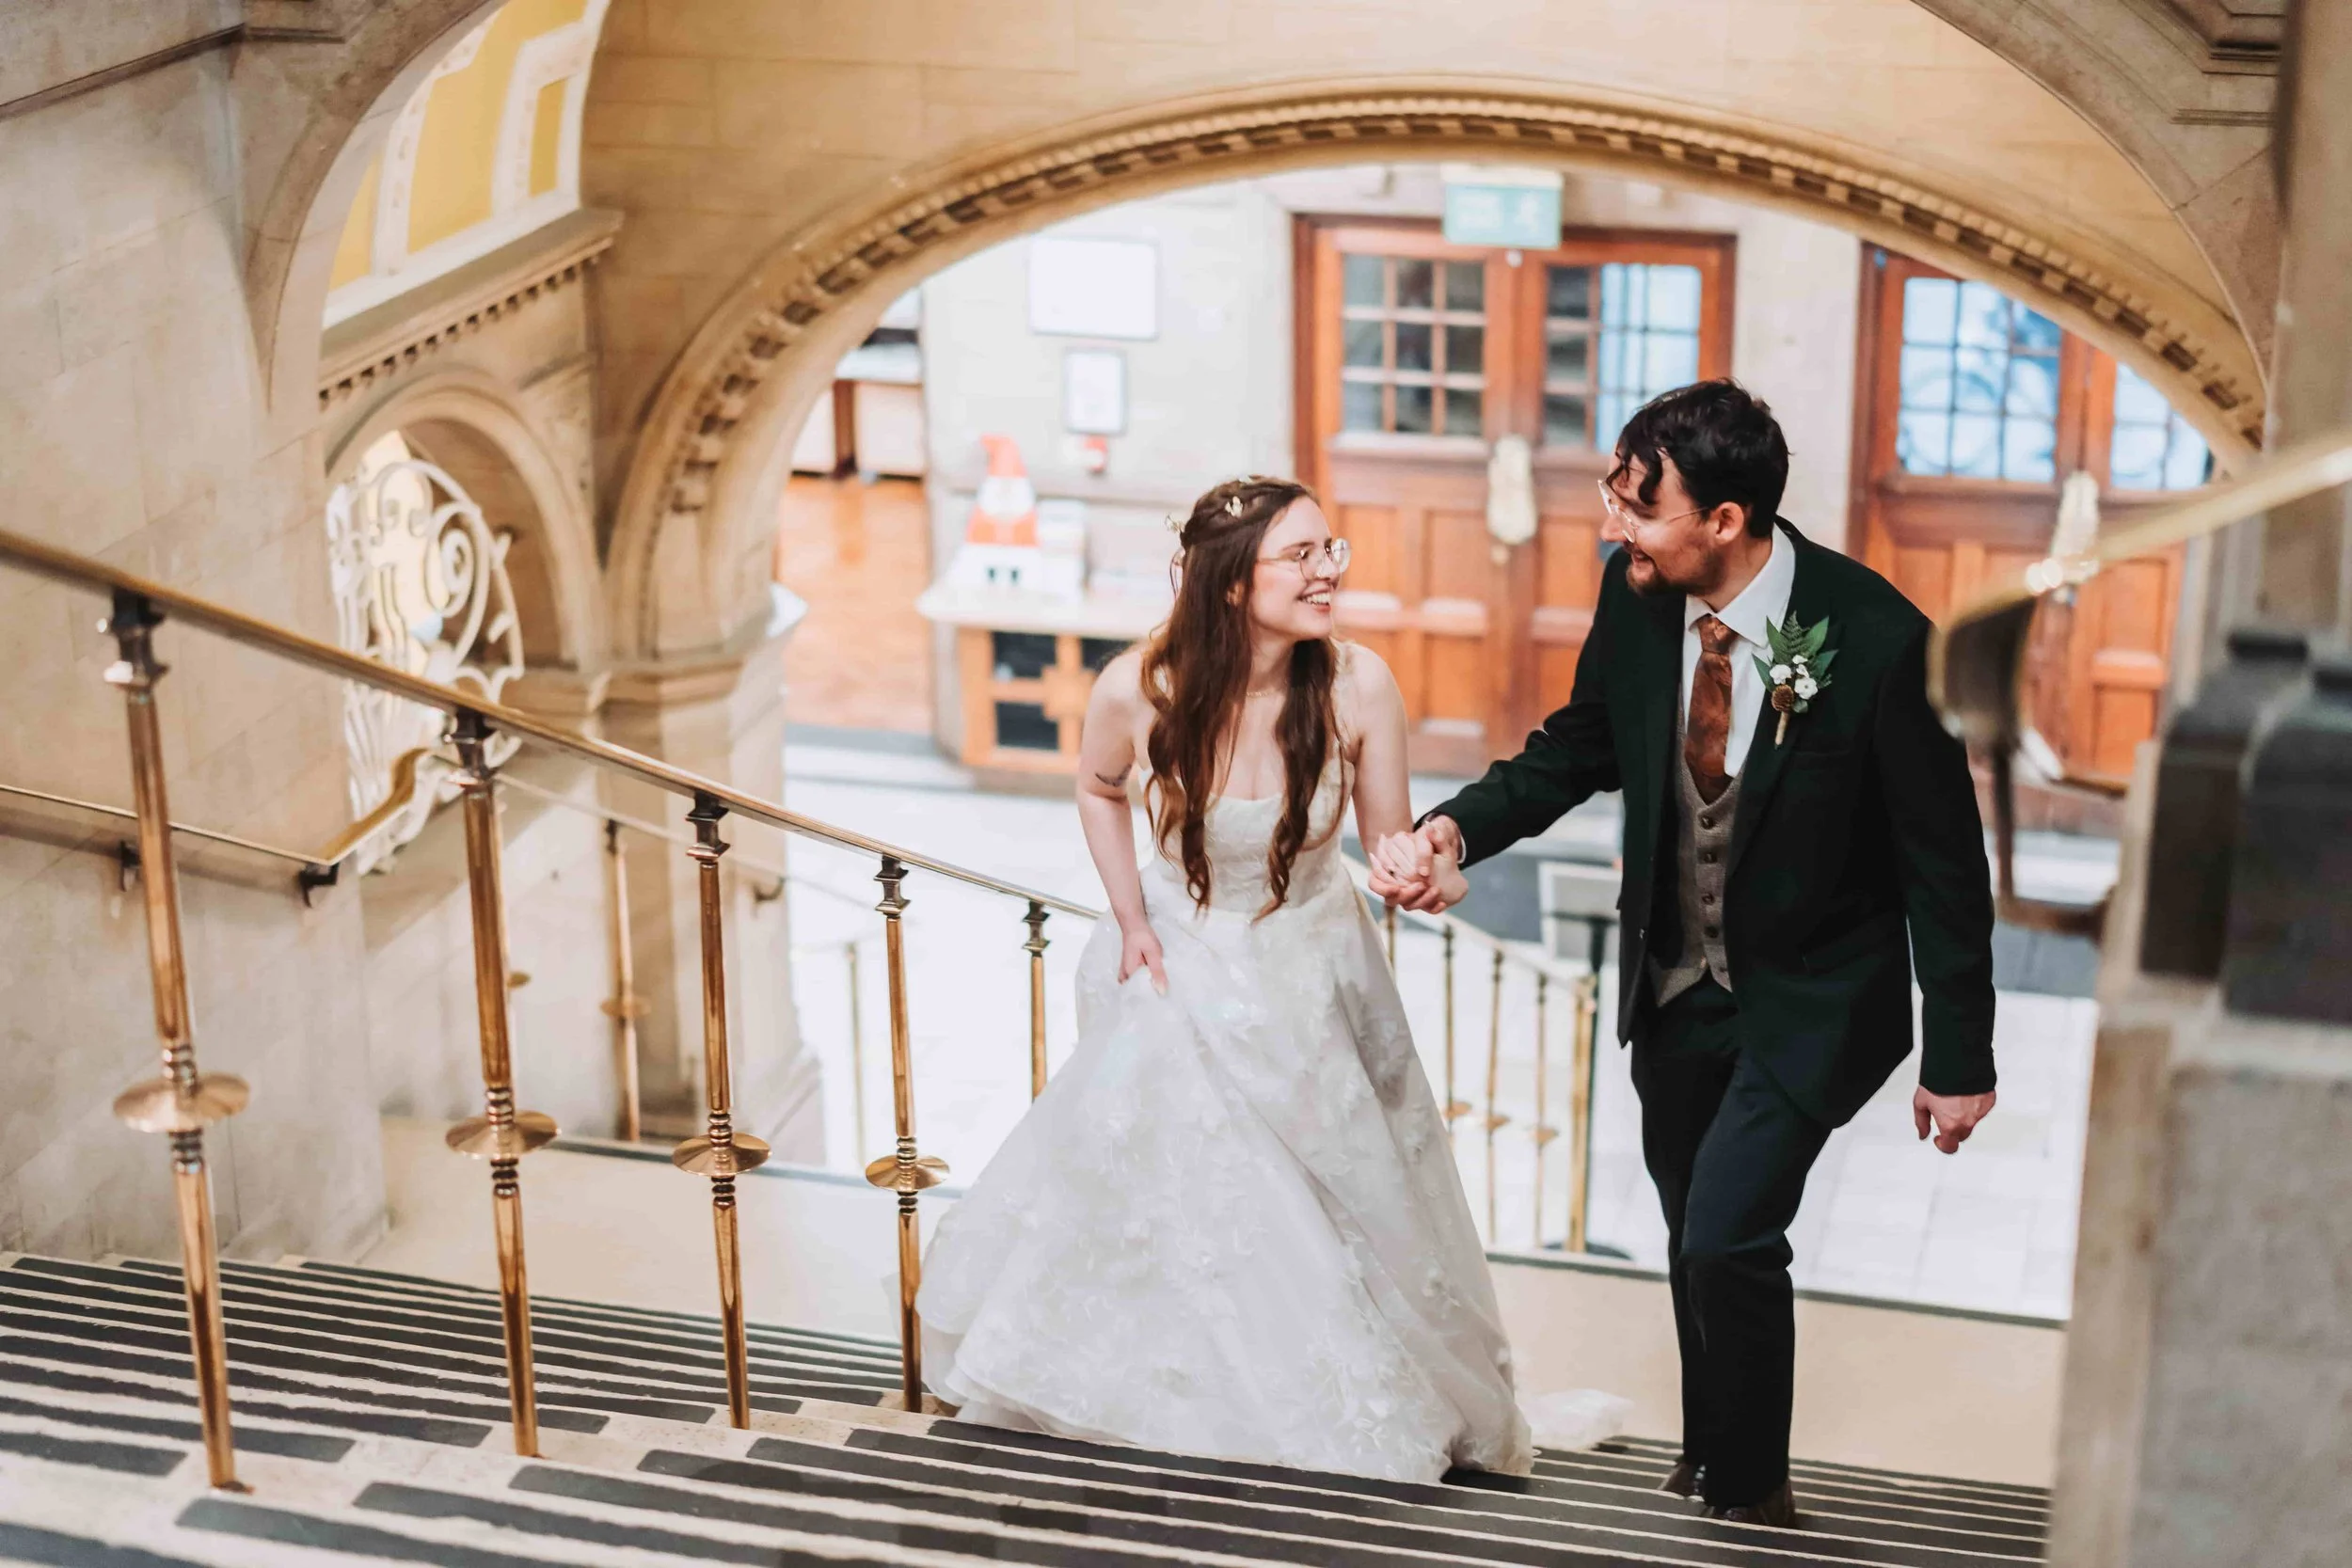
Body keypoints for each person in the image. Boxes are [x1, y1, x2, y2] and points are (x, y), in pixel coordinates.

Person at [1370, 380, 1998, 1528]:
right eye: (1614, 495)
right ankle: (1709, 1449)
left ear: (1726, 519)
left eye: (1637, 506)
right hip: (1673, 983)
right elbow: (1584, 745)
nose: (1614, 526)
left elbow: (1944, 866)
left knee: (1729, 1230)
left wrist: (1960, 1054)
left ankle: (1755, 1494)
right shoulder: (1641, 593)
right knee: (1687, 1228)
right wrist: (1457, 825)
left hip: (1811, 995)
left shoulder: (1880, 640)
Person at [916, 476, 1534, 1483]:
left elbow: (1389, 838)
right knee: (1191, 1181)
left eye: (1332, 548)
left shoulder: (1359, 684)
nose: (1328, 568)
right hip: (1186, 948)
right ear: (1232, 582)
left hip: (1313, 956)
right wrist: (1128, 918)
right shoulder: (1140, 686)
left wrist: (1427, 870)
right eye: (1302, 554)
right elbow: (1096, 782)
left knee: (1337, 1189)